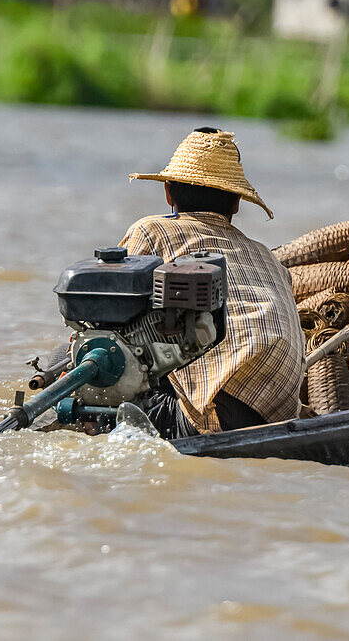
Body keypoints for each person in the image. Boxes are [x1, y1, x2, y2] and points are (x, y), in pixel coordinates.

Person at [120, 127, 305, 438]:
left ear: (168, 192)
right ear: (236, 204)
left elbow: (114, 314)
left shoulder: (151, 231)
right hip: (279, 410)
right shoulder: (267, 256)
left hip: (213, 412)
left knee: (99, 364)